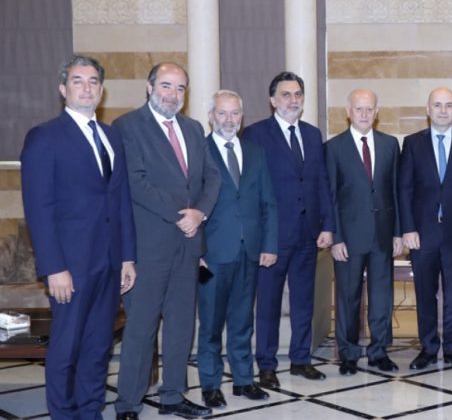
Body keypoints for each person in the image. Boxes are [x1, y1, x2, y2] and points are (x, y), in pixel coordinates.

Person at [20, 55, 137, 420]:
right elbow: (39, 209)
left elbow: (120, 201)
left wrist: (127, 257)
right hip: (70, 267)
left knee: (98, 347)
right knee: (66, 348)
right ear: (63, 89)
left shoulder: (112, 136)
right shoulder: (44, 138)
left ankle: (90, 411)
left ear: (101, 90)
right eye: (77, 81)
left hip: (109, 264)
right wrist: (53, 267)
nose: (86, 88)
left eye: (93, 82)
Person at [113, 62, 221, 419]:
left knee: (181, 325)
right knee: (141, 328)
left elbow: (212, 177)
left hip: (188, 247)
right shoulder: (128, 126)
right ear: (149, 87)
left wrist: (199, 213)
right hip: (149, 248)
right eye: (166, 86)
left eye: (180, 88)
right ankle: (128, 403)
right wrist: (181, 215)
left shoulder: (193, 128)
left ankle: (173, 395)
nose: (173, 94)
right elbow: (137, 183)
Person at [243, 71, 335, 388]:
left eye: (297, 94)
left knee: (303, 302)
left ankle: (300, 360)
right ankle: (266, 365)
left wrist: (328, 225)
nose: (292, 100)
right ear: (272, 100)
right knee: (268, 304)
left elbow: (321, 182)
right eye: (286, 94)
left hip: (308, 235)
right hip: (272, 238)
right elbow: (251, 190)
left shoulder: (312, 134)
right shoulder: (255, 135)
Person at [197, 90, 278, 408]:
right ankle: (210, 384)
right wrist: (196, 252)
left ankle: (244, 380)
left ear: (242, 117)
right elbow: (189, 205)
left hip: (250, 252)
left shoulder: (256, 152)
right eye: (222, 113)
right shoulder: (199, 151)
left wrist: (269, 244)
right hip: (212, 256)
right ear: (211, 116)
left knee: (243, 321)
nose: (229, 119)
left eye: (235, 113)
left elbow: (268, 202)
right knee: (211, 324)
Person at [399, 87, 452, 370]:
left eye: (449, 105)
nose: (443, 110)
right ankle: (427, 348)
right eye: (437, 105)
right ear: (428, 109)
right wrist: (407, 228)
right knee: (424, 293)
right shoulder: (412, 144)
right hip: (422, 233)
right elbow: (404, 190)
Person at [325, 89, 403, 375]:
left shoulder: (390, 144)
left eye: (369, 109)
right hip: (348, 238)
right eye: (359, 109)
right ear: (348, 111)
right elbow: (331, 197)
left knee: (382, 298)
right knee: (348, 298)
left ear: (377, 112)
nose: (364, 114)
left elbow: (396, 191)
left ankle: (379, 351)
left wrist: (398, 233)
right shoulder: (333, 148)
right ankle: (348, 353)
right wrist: (335, 238)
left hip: (383, 236)